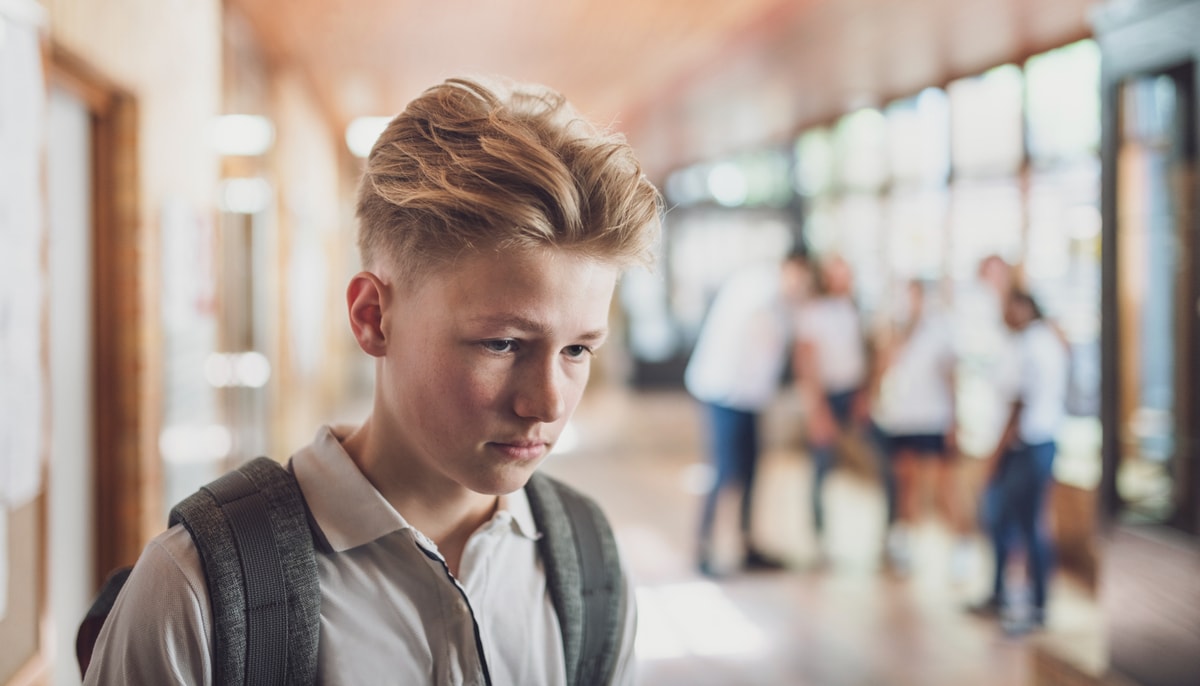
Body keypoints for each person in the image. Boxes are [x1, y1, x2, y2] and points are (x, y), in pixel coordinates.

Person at [83, 76, 662, 684]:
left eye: (577, 349)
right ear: (372, 317)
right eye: (502, 343)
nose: (546, 402)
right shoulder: (199, 591)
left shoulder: (590, 564)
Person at [684, 251, 811, 577]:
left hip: (750, 398)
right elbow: (749, 348)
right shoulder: (758, 292)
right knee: (724, 471)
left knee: (752, 470)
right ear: (788, 268)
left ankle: (747, 544)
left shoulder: (781, 300)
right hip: (724, 393)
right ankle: (703, 547)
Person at [970, 288, 1067, 635]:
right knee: (1010, 523)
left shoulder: (1032, 344)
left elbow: (1018, 405)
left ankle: (1033, 605)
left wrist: (994, 458)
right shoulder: (1038, 341)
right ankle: (1007, 596)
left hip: (1027, 447)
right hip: (1033, 445)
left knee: (1023, 525)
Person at [870, 280, 970, 578]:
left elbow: (951, 377)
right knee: (905, 484)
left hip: (933, 419)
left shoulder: (940, 331)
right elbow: (882, 371)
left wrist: (955, 420)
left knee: (943, 489)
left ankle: (961, 547)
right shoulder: (895, 335)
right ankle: (904, 543)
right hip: (902, 419)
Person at [794, 255, 869, 561]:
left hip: (851, 394)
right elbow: (806, 363)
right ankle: (819, 537)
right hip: (827, 396)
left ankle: (893, 535)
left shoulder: (852, 309)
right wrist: (818, 409)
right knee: (821, 467)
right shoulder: (813, 313)